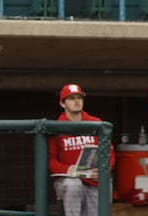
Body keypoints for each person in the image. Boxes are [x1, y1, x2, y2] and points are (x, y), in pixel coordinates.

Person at [48, 84, 115, 216]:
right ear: (62, 103)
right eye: (72, 98)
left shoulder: (96, 123)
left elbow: (110, 154)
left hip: (93, 180)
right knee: (73, 184)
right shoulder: (56, 127)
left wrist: (103, 170)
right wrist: (67, 169)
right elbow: (51, 161)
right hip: (68, 181)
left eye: (79, 97)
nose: (77, 101)